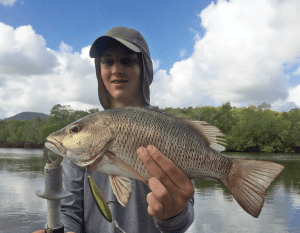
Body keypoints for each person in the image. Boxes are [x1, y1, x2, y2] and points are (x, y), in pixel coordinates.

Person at [33, 26, 194, 233]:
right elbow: (69, 212)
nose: (116, 69)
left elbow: (184, 218)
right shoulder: (82, 144)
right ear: (99, 70)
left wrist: (174, 215)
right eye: (107, 61)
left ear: (143, 68)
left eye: (127, 60)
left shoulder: (167, 129)